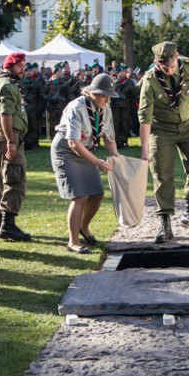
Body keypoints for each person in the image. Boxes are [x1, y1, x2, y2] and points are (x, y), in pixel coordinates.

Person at [138, 41, 189, 242]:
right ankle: (165, 223)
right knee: (162, 175)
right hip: (162, 130)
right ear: (156, 61)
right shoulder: (150, 80)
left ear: (176, 57)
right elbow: (144, 117)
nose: (168, 69)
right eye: (163, 66)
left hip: (188, 126)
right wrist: (144, 150)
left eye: (170, 65)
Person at [51, 73, 121, 253]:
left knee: (97, 194)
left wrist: (114, 154)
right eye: (103, 95)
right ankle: (73, 241)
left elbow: (108, 137)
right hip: (66, 151)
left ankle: (84, 227)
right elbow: (73, 143)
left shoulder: (106, 109)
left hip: (86, 151)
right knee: (80, 196)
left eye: (109, 96)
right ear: (92, 93)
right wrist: (97, 162)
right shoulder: (76, 107)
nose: (107, 99)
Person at [0, 52, 32, 242]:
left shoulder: (0, 82)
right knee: (15, 178)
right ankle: (8, 225)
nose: (23, 69)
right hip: (7, 134)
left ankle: (2, 222)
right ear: (10, 66)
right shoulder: (7, 85)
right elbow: (6, 115)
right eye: (20, 65)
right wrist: (11, 141)